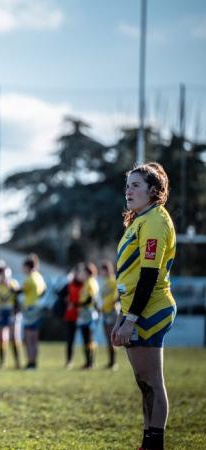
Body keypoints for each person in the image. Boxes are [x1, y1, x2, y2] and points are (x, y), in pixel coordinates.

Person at [111, 162, 176, 450]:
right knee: (144, 382)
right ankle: (148, 442)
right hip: (137, 310)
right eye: (127, 185)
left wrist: (131, 319)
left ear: (153, 191)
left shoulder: (154, 222)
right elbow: (130, 274)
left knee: (152, 382)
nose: (128, 190)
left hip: (151, 308)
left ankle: (154, 444)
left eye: (135, 185)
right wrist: (121, 316)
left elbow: (149, 276)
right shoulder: (140, 218)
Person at [0, 263, 21, 369]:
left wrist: (16, 312)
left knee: (14, 337)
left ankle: (17, 362)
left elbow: (17, 299)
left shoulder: (14, 283)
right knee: (1, 338)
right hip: (1, 311)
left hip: (12, 311)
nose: (5, 278)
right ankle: (2, 362)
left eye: (7, 275)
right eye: (2, 275)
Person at [20, 253, 46, 370]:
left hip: (30, 309)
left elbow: (19, 291)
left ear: (27, 267)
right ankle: (33, 362)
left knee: (28, 338)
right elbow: (44, 291)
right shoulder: (39, 276)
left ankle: (31, 362)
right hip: (37, 308)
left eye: (24, 267)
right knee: (34, 338)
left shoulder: (29, 278)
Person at [76, 262, 99, 369]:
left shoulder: (91, 282)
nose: (81, 274)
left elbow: (92, 298)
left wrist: (80, 304)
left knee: (89, 339)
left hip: (89, 314)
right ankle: (88, 362)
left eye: (83, 272)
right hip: (85, 314)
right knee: (86, 339)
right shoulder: (87, 283)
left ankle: (91, 362)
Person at [99, 260, 119, 370]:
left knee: (112, 338)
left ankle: (113, 362)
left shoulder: (112, 281)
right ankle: (110, 361)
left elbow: (114, 297)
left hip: (111, 312)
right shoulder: (103, 281)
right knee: (107, 338)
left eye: (103, 271)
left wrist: (104, 305)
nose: (101, 273)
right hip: (105, 312)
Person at [62, 264, 84, 368]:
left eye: (78, 273)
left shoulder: (85, 284)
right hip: (71, 315)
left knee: (87, 339)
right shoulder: (69, 284)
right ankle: (69, 361)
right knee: (70, 339)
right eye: (75, 273)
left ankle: (89, 362)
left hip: (83, 315)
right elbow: (60, 294)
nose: (77, 275)